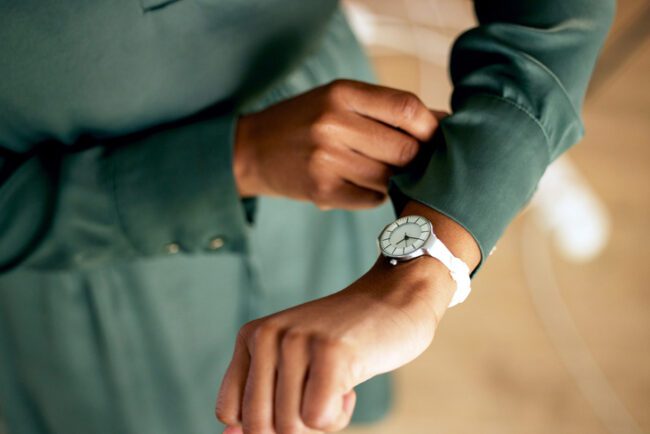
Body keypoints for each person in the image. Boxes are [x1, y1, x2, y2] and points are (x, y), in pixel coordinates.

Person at [0, 1, 614, 433]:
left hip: (332, 147)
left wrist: (417, 278)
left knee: (323, 384)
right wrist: (239, 158)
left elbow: (553, 18)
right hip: (78, 252)